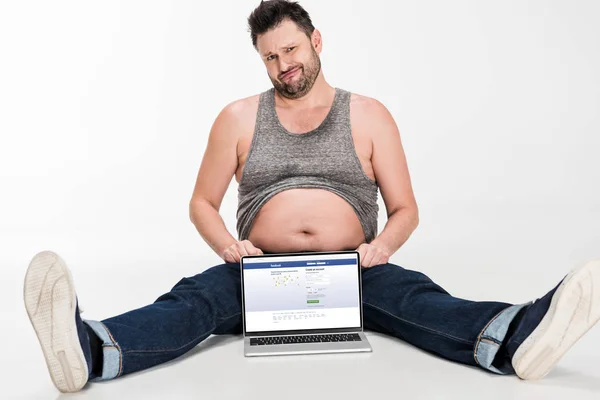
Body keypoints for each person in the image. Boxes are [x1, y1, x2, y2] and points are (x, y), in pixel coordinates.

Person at [23, 0, 600, 393]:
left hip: (352, 270)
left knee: (420, 302)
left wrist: (382, 249)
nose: (284, 65)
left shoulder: (370, 115)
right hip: (262, 272)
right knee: (192, 304)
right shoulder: (238, 117)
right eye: (270, 56)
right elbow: (202, 202)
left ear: (316, 40)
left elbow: (405, 210)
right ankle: (89, 349)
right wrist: (229, 246)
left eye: (291, 50)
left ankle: (517, 336)